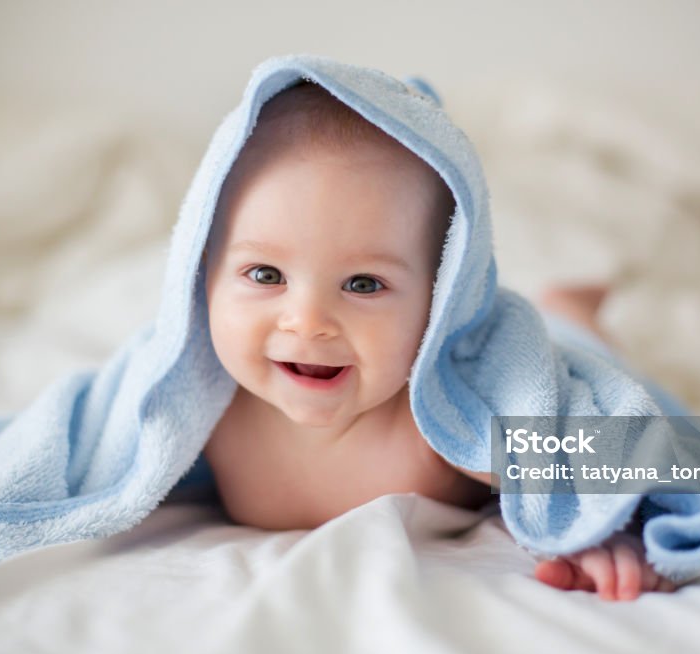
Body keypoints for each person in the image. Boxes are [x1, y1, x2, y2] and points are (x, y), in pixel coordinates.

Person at [201, 82, 674, 601]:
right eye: (266, 274)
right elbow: (105, 442)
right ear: (203, 274)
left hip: (558, 347)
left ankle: (569, 309)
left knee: (576, 339)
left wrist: (607, 526)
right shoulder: (205, 407)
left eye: (363, 284)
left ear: (439, 303)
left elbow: (621, 454)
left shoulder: (449, 422)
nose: (308, 322)